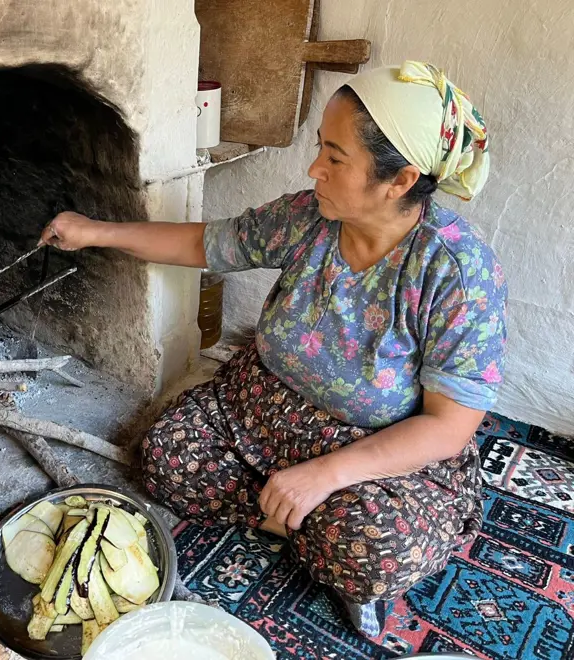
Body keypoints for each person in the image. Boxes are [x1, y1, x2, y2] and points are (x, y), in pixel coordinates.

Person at [39, 61, 506, 637]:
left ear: (401, 180)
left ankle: (309, 522)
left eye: (336, 158)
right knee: (165, 458)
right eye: (320, 149)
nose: (315, 170)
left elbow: (448, 428)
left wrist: (324, 475)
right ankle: (297, 521)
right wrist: (95, 231)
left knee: (378, 549)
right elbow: (205, 241)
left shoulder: (457, 271)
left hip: (373, 449)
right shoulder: (308, 217)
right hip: (260, 408)